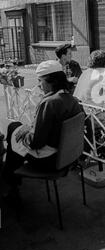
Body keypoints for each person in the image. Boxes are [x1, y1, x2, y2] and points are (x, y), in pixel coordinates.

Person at [1, 60, 83, 200]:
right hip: (69, 157)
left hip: (49, 161)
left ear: (52, 81)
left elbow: (35, 143)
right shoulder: (72, 100)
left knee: (13, 130)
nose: (39, 85)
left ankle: (10, 182)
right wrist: (29, 128)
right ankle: (11, 179)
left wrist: (26, 132)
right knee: (16, 129)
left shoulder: (49, 103)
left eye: (40, 81)